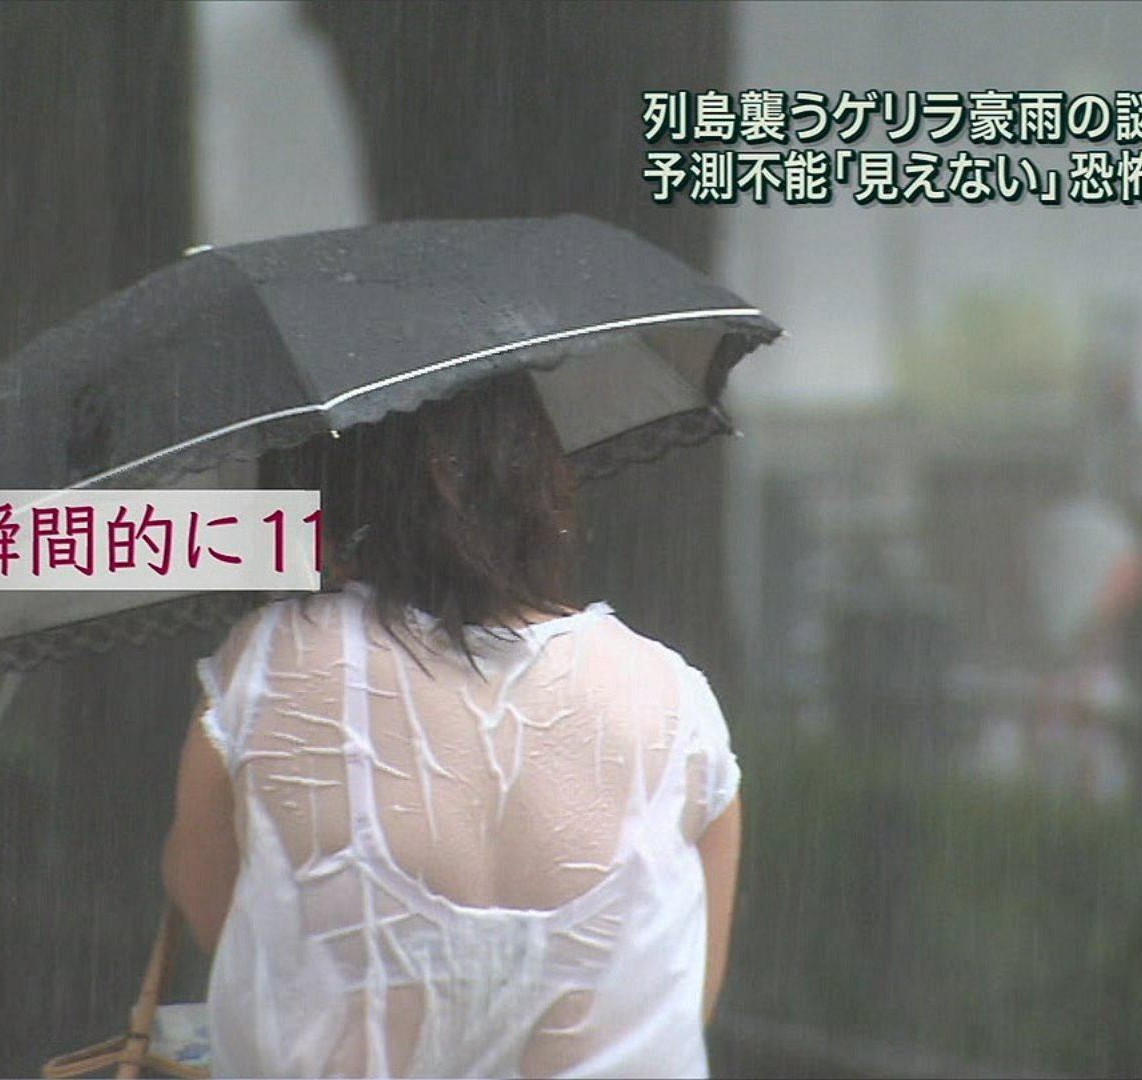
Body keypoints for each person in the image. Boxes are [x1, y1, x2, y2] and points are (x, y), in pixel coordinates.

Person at [161, 372, 744, 1078]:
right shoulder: (677, 705)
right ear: (538, 487)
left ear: (336, 495)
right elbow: (684, 998)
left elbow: (217, 904)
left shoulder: (272, 665)